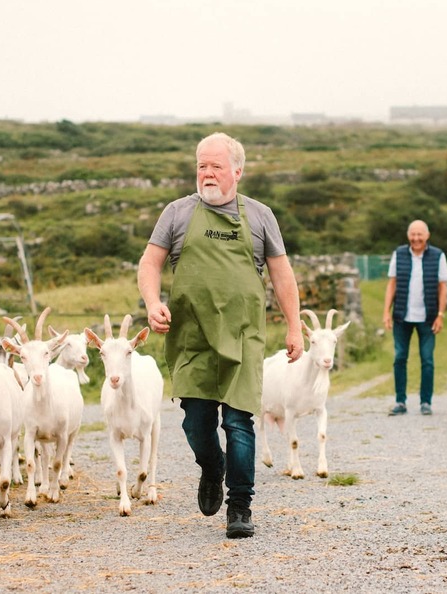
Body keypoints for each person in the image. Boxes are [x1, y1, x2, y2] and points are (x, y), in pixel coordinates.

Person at [137, 132, 303, 539]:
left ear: (237, 171)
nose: (207, 174)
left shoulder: (261, 216)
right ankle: (212, 468)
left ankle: (240, 506)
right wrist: (152, 302)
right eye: (201, 166)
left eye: (216, 166)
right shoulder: (176, 213)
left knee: (238, 421)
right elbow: (149, 262)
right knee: (196, 424)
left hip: (244, 336)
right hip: (192, 336)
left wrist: (295, 326)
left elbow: (282, 275)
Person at [382, 220, 447, 416]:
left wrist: (440, 315)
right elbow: (391, 284)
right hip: (402, 316)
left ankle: (426, 402)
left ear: (427, 236)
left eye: (420, 234)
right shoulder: (399, 254)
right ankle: (400, 401)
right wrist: (386, 311)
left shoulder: (438, 256)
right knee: (399, 358)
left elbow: (443, 287)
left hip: (428, 317)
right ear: (408, 235)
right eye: (413, 234)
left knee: (427, 360)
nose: (416, 238)